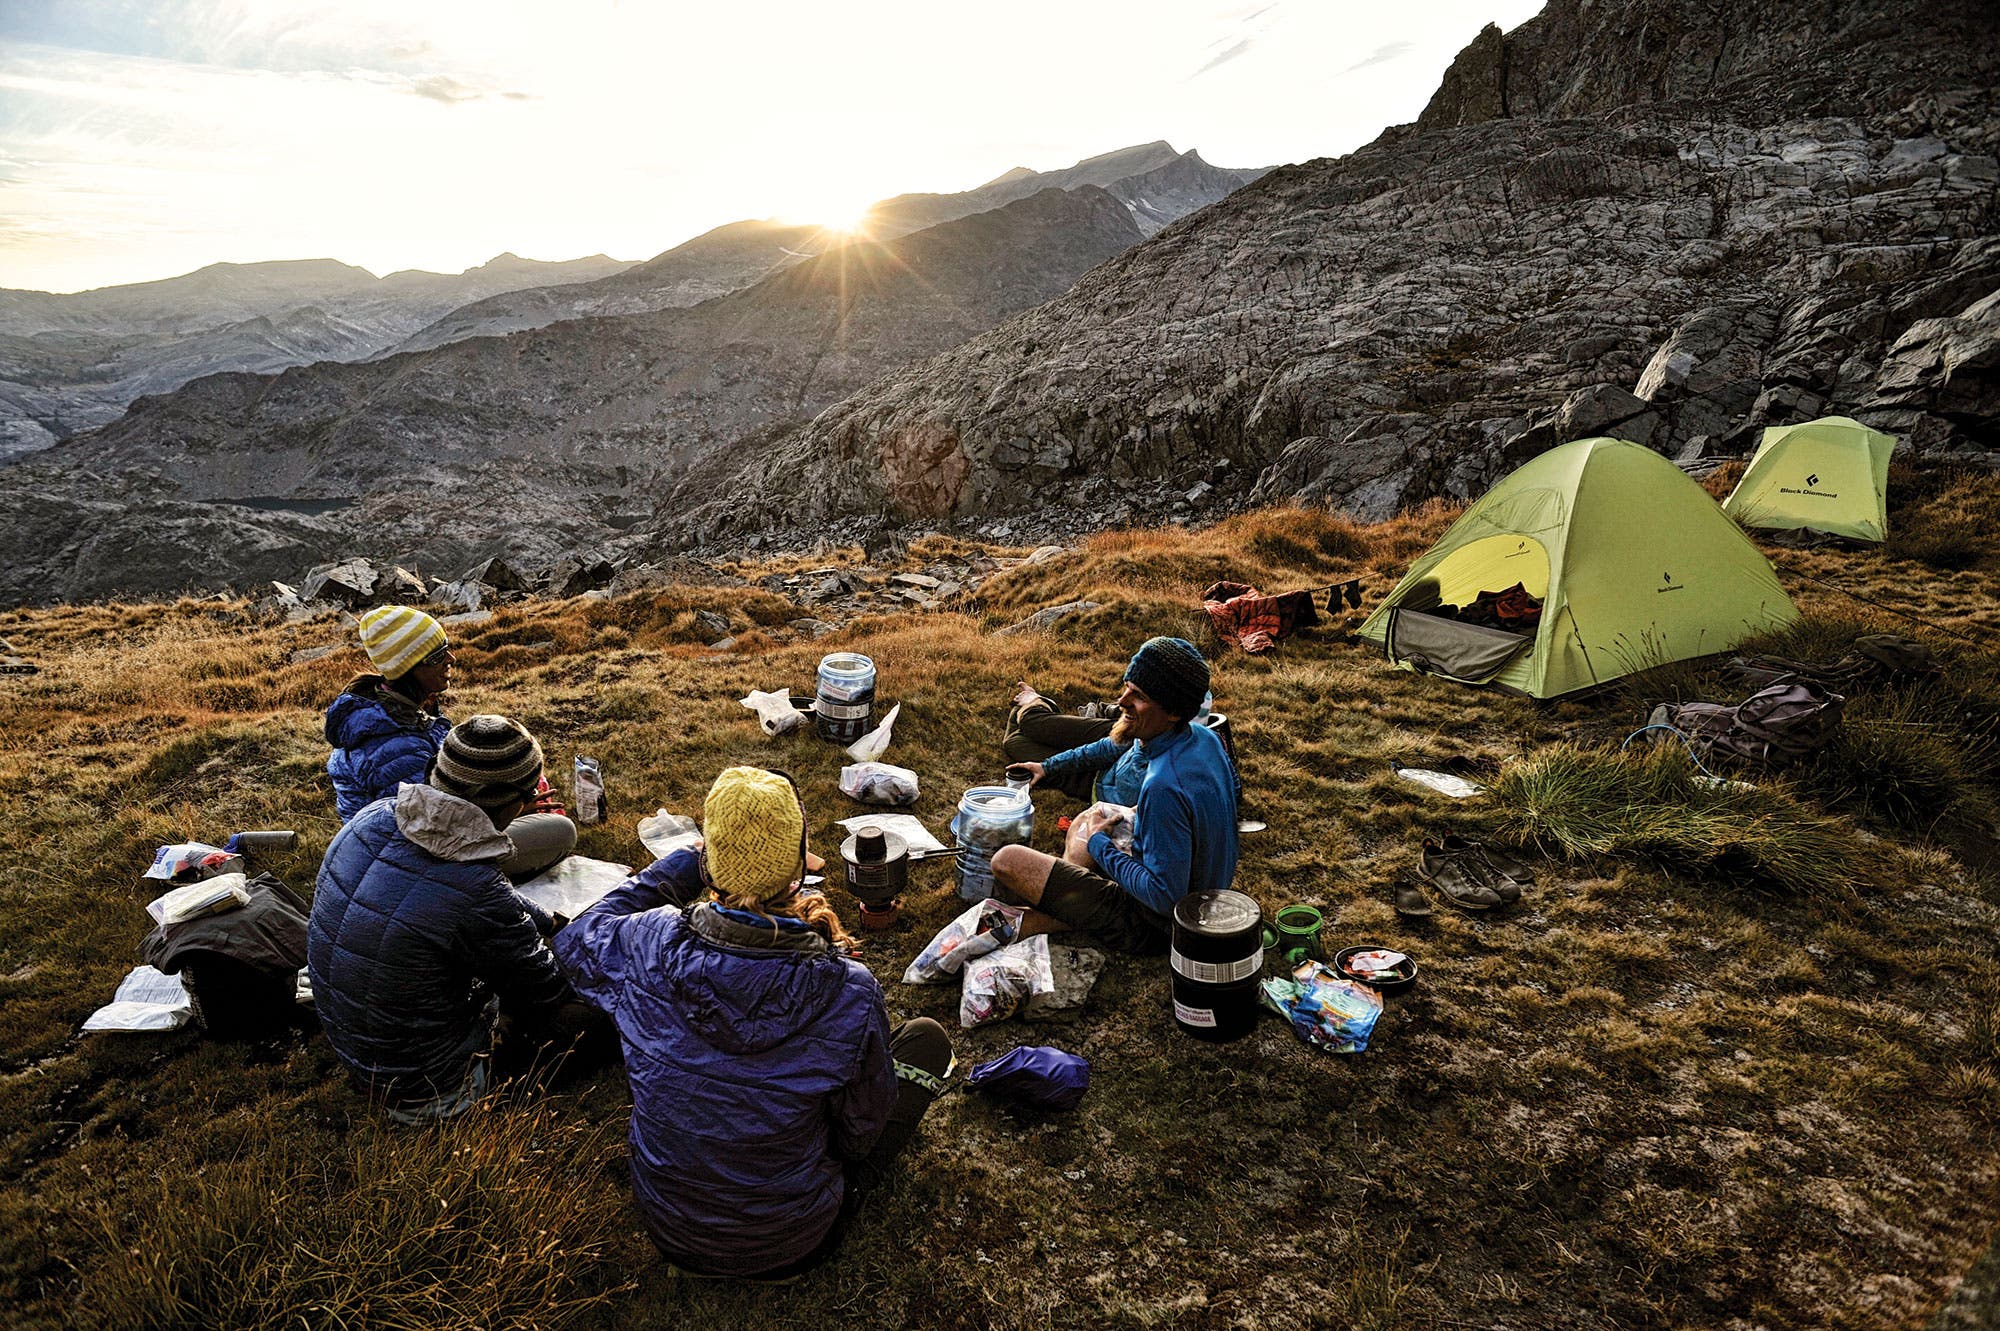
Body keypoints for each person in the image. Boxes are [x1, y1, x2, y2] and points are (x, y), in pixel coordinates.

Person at [555, 767, 953, 1279]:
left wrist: (683, 869)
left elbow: (576, 938)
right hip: (793, 1241)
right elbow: (858, 1136)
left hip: (669, 1231)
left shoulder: (644, 943)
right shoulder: (848, 989)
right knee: (926, 1040)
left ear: (712, 862)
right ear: (798, 866)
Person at [308, 715, 588, 1123]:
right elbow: (546, 992)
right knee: (591, 1016)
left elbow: (477, 896)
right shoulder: (476, 886)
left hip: (362, 1055)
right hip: (432, 1091)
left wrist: (548, 922)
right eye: (529, 794)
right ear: (510, 800)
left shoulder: (370, 820)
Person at [992, 637, 1239, 955]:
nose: (1122, 701)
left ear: (1174, 713)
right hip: (1211, 889)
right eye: (1127, 687)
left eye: (1139, 697)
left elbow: (1165, 898)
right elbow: (1226, 796)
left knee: (1008, 861)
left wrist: (1102, 848)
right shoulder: (1205, 739)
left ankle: (1056, 914)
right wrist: (1141, 817)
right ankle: (1062, 904)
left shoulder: (1163, 785)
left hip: (1161, 924)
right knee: (1095, 814)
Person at [324, 604, 573, 879]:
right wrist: (512, 811)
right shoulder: (392, 746)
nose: (451, 659)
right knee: (560, 832)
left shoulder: (404, 712)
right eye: (438, 656)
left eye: (447, 648)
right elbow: (428, 833)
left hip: (413, 845)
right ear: (409, 668)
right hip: (404, 864)